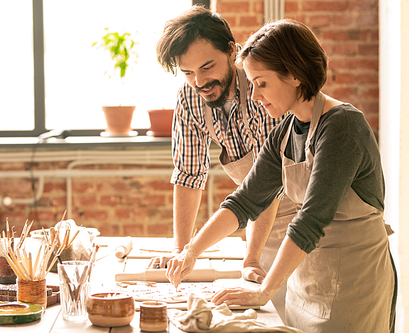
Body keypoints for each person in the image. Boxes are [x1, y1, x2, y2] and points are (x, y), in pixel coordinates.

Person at [165, 19, 397, 333]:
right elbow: (245, 201)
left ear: (295, 75)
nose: (256, 96)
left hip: (355, 285)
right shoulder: (286, 132)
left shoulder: (342, 126)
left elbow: (312, 219)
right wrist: (191, 251)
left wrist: (262, 291)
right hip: (308, 282)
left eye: (261, 83)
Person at [150, 5, 297, 321]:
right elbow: (189, 175)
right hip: (263, 222)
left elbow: (267, 183)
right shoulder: (190, 99)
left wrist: (251, 256)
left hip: (307, 218)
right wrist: (181, 252)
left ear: (232, 50)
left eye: (207, 67)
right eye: (187, 72)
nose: (199, 81)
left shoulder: (261, 88)